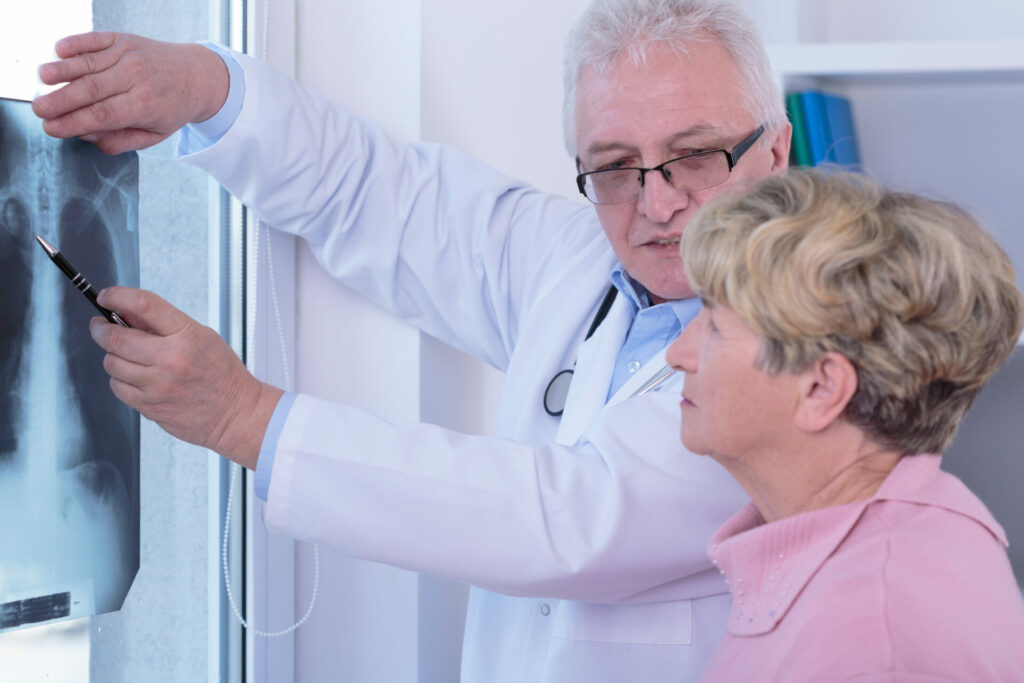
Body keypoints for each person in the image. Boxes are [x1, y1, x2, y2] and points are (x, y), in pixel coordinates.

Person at [33, 0, 790, 679]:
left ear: (777, 152)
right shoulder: (580, 259)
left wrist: (244, 418)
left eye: (696, 156)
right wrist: (207, 87)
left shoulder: (806, 352)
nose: (656, 202)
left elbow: (563, 517)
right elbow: (377, 194)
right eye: (616, 167)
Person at [663, 169, 1024, 681]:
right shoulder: (898, 541)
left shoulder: (873, 639)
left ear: (821, 389)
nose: (676, 354)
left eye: (715, 326)